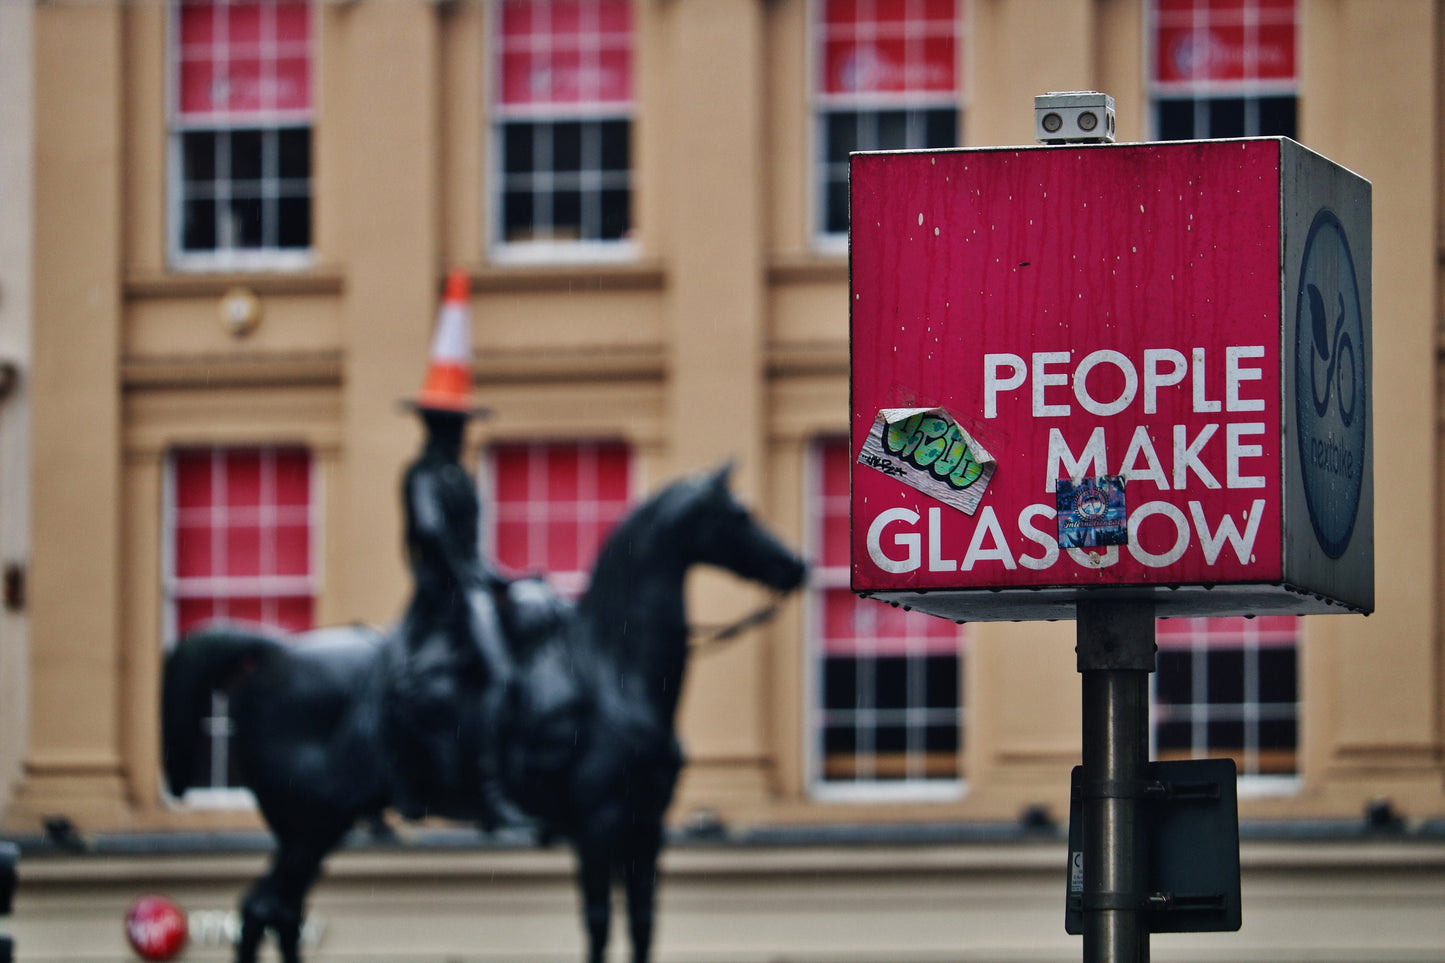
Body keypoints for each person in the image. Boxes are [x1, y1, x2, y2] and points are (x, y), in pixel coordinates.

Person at [386, 268, 528, 829]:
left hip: (467, 584)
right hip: (441, 594)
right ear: (433, 424)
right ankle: (488, 790)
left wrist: (493, 575)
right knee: (496, 672)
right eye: (452, 422)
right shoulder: (422, 475)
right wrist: (472, 579)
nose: (460, 431)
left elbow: (468, 544)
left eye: (461, 422)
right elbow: (431, 537)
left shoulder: (459, 476)